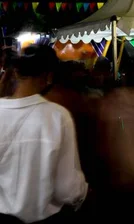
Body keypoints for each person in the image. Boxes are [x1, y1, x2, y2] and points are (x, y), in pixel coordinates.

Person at [0, 45, 88, 223]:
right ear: (49, 76)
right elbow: (66, 189)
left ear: (15, 72)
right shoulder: (58, 116)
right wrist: (83, 192)